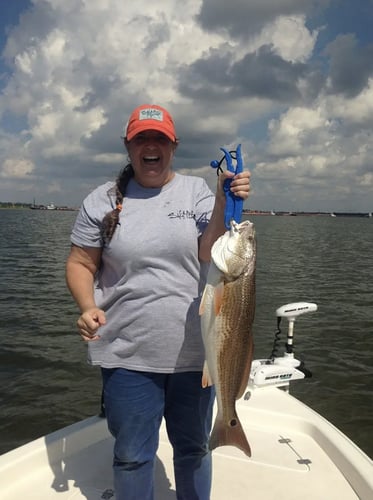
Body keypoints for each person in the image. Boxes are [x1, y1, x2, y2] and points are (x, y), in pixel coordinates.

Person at [65, 104, 251, 500]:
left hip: (195, 358)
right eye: (141, 139)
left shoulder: (195, 191)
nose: (151, 147)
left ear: (173, 146)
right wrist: (86, 305)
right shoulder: (101, 201)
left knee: (194, 449)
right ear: (128, 146)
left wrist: (222, 198)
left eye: (160, 139)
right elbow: (81, 262)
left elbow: (209, 251)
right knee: (132, 456)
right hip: (127, 356)